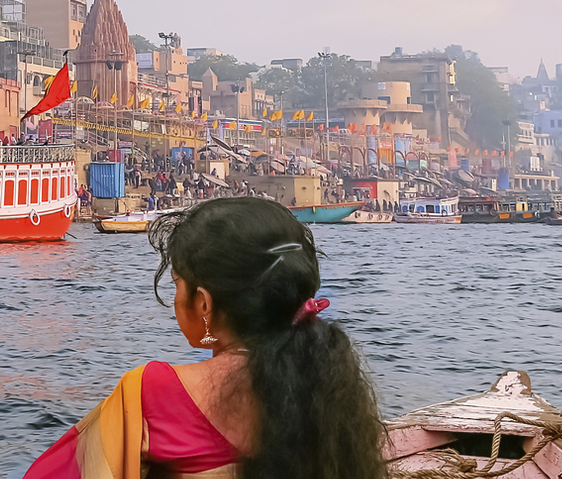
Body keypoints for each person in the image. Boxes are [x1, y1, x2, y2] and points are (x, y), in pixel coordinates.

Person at [21, 198, 383, 479]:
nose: (176, 299)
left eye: (178, 283)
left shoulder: (151, 392)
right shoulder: (332, 382)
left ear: (204, 302)